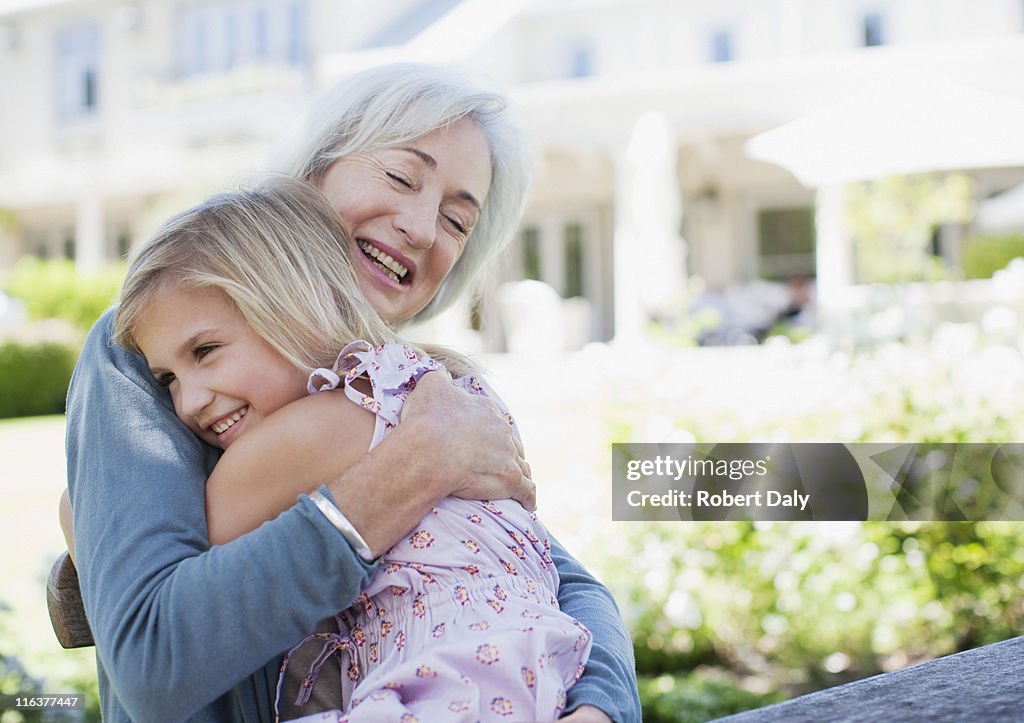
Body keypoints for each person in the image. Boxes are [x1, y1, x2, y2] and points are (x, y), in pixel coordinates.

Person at [63, 62, 640, 722]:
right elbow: (154, 661)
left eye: (457, 221)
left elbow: (554, 575)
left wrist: (600, 707)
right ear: (311, 172)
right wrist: (413, 467)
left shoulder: (428, 389)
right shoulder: (156, 335)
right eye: (400, 176)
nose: (423, 228)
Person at [113, 176, 593, 721]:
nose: (188, 401)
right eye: (167, 379)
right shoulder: (426, 389)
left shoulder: (320, 428)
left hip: (442, 686)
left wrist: (81, 510)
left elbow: (161, 542)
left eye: (206, 350)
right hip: (516, 674)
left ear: (291, 304)